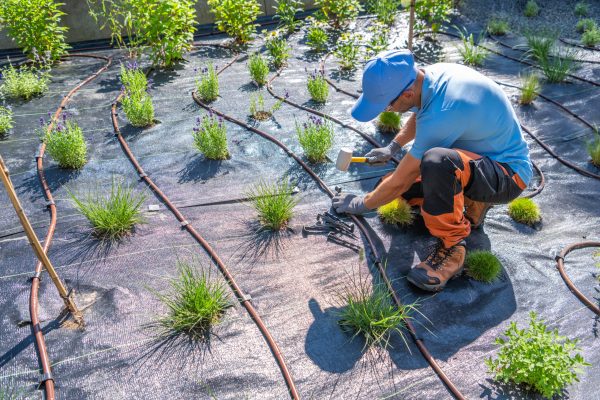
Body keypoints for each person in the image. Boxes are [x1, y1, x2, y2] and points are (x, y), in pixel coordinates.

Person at [332, 49, 532, 292]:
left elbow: (400, 181)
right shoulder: (429, 78)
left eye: (387, 105)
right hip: (477, 160)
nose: (388, 110)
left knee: (435, 163)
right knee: (393, 188)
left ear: (406, 93)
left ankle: (453, 247)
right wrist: (393, 148)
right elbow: (421, 114)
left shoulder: (445, 110)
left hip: (507, 175)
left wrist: (361, 204)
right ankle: (471, 202)